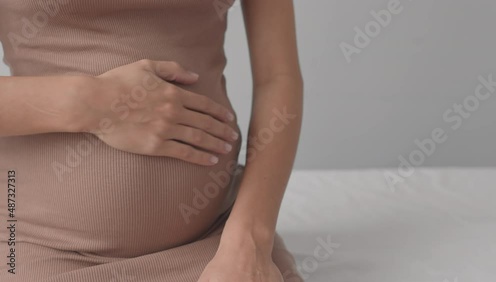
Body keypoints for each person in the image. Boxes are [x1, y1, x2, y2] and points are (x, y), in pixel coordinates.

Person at [0, 0, 303, 281]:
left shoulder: (238, 247)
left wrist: (250, 241)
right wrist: (94, 102)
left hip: (218, 245)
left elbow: (277, 77)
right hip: (39, 245)